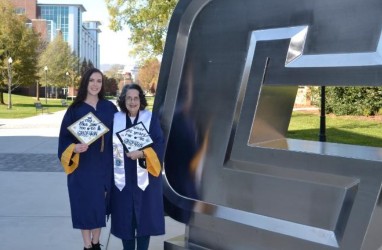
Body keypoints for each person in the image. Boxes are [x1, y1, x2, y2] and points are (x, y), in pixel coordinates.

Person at [58, 68, 118, 250]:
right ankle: (86, 245)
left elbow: (120, 133)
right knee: (84, 204)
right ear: (86, 82)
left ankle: (95, 242)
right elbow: (64, 139)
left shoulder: (109, 108)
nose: (95, 84)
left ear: (102, 84)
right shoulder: (75, 109)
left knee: (100, 204)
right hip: (82, 166)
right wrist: (74, 148)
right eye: (92, 80)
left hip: (104, 165)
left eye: (99, 81)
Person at [111, 83, 165, 250]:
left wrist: (142, 154)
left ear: (140, 100)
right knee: (124, 220)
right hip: (122, 179)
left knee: (144, 220)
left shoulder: (151, 119)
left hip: (145, 180)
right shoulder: (116, 119)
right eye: (128, 98)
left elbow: (159, 144)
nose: (132, 101)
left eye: (136, 98)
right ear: (123, 100)